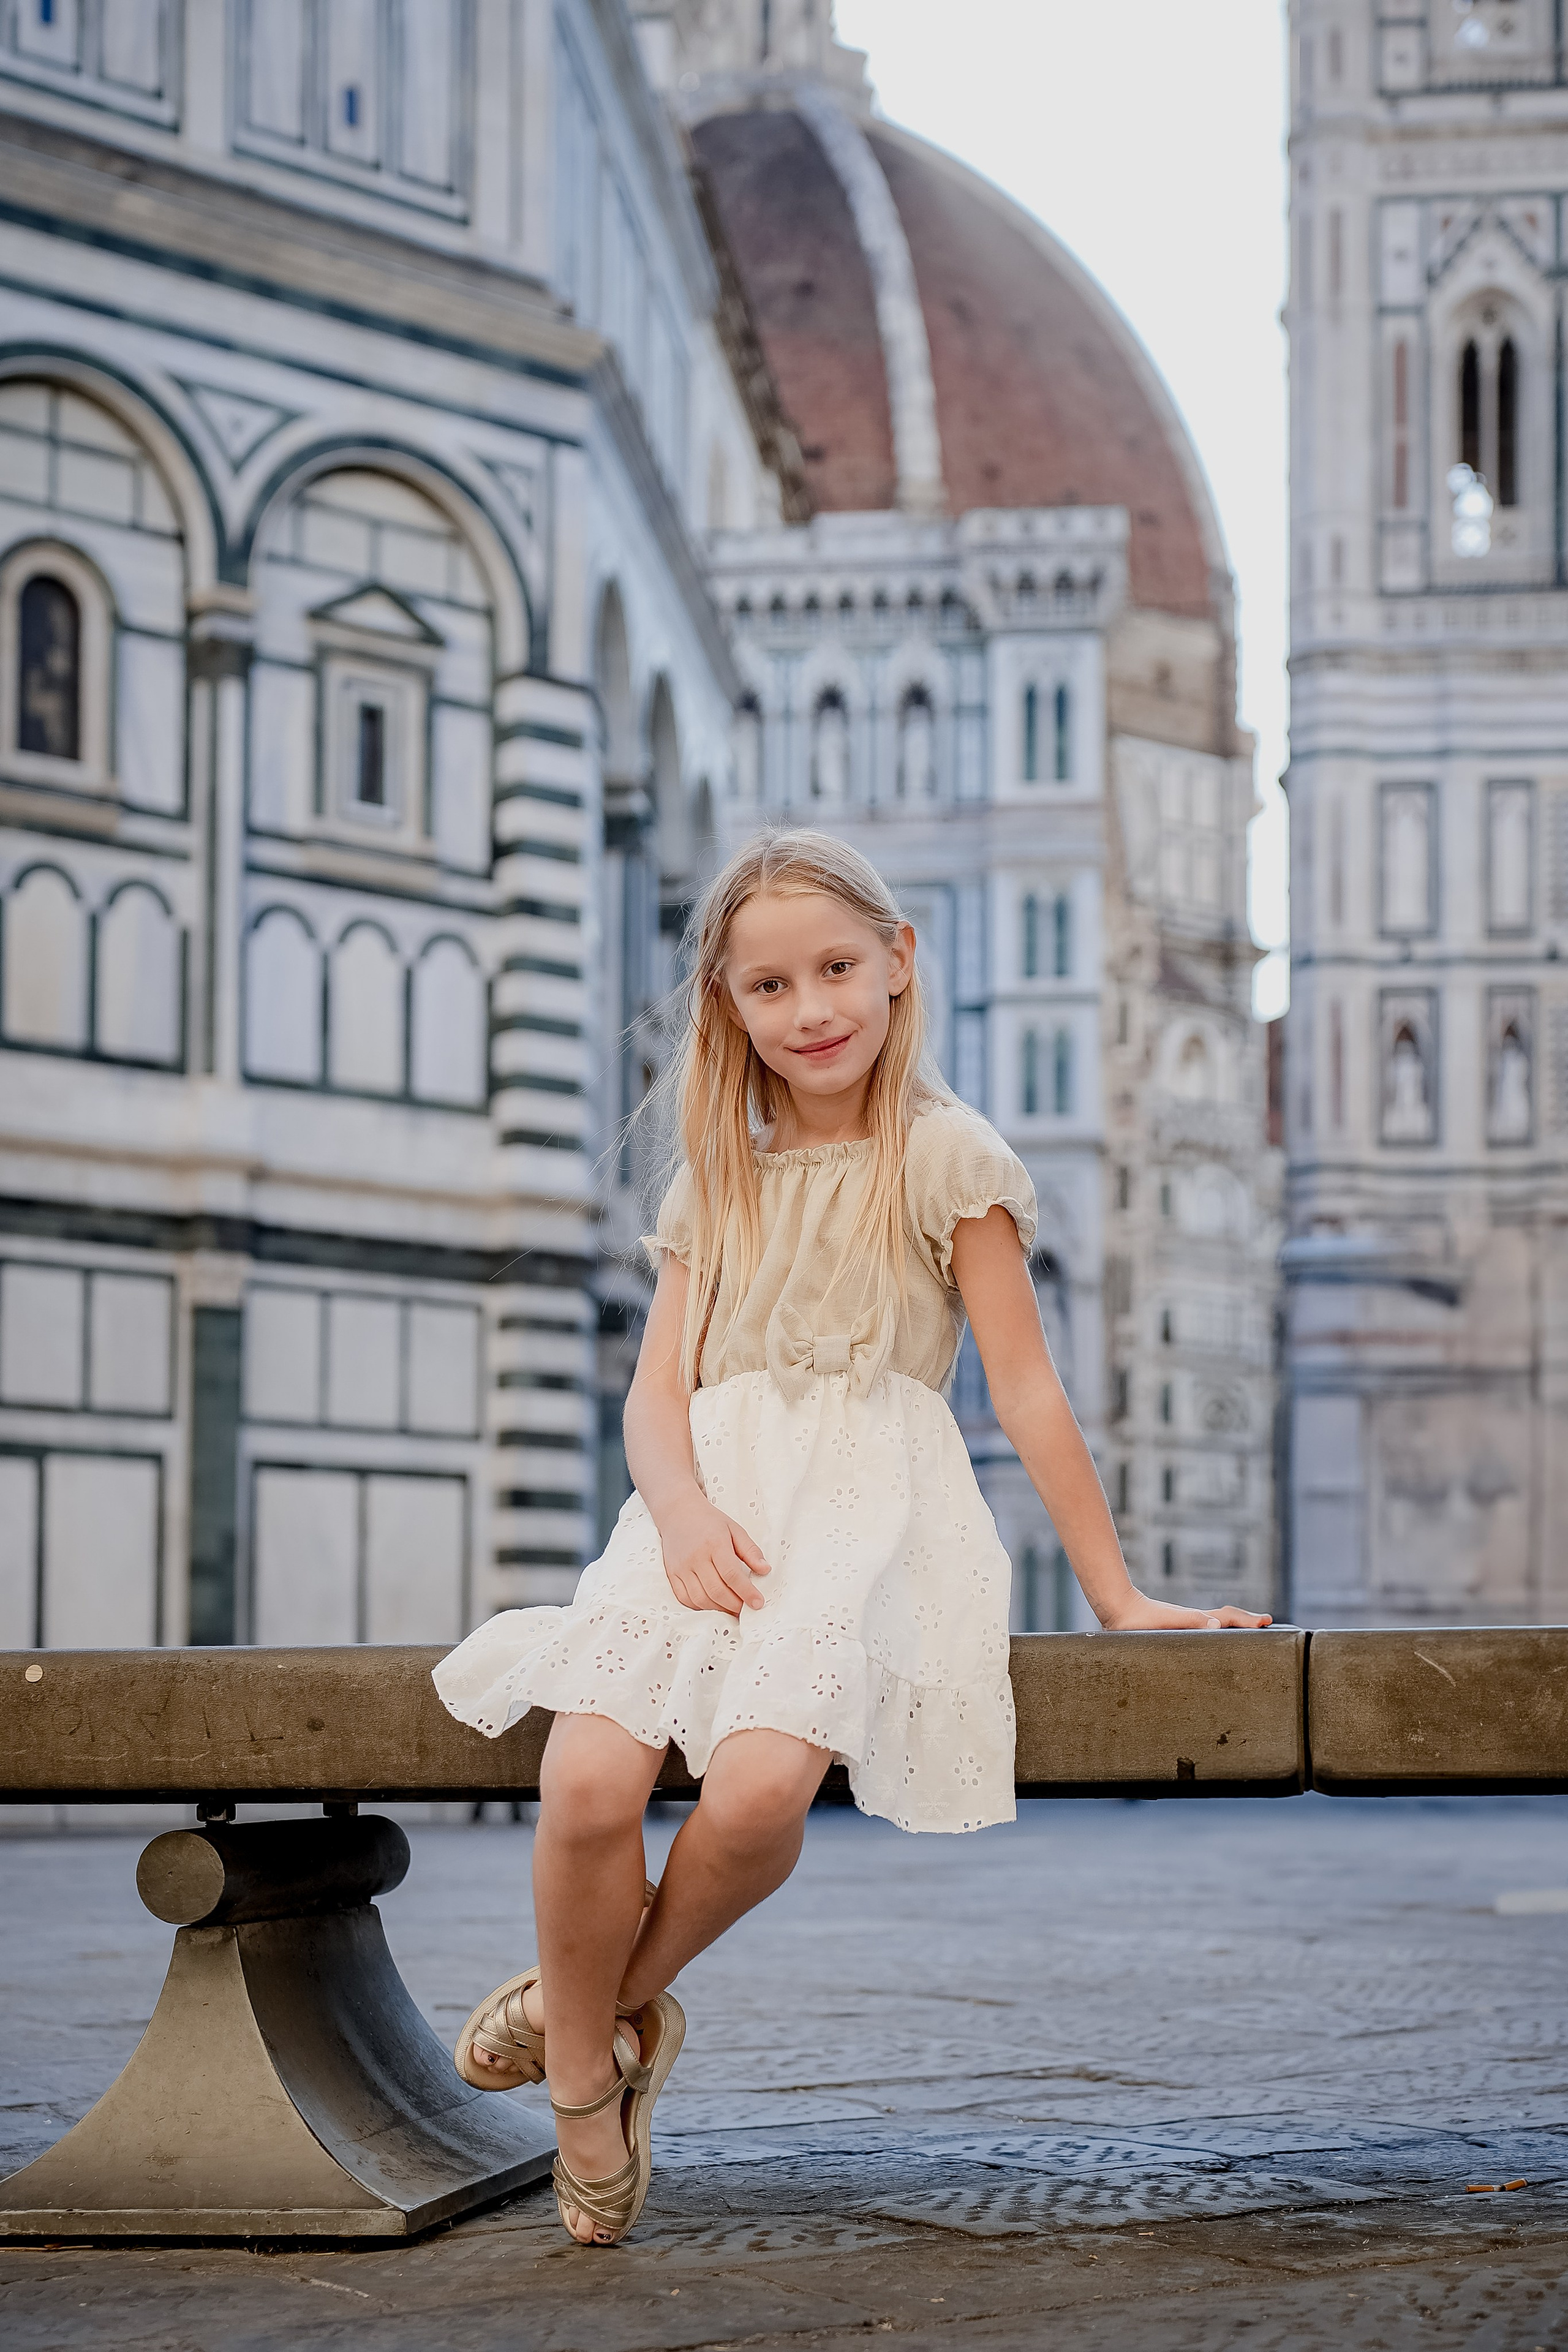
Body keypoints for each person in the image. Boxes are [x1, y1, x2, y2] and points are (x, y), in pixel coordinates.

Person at [432, 829, 1270, 2247]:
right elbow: (654, 1395)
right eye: (767, 986)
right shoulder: (713, 1177)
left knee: (759, 1795)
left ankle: (595, 2021)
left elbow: (1025, 1389)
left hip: (866, 1512)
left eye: (833, 969)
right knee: (584, 1783)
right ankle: (590, 2077)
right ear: (727, 1008)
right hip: (703, 1507)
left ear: (898, 962)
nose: (807, 1009)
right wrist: (685, 1515)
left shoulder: (949, 1158)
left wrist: (1116, 1594)